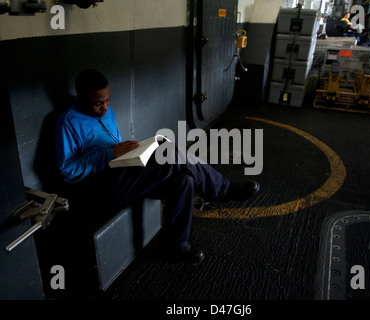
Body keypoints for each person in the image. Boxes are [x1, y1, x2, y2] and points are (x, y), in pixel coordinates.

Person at [54, 69, 260, 264]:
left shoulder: (107, 113)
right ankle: (223, 189)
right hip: (100, 187)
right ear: (81, 98)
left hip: (121, 174)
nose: (105, 107)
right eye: (98, 104)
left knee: (183, 180)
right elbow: (67, 171)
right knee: (169, 152)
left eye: (108, 100)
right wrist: (110, 153)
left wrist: (132, 152)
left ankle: (174, 246)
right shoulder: (67, 122)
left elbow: (114, 148)